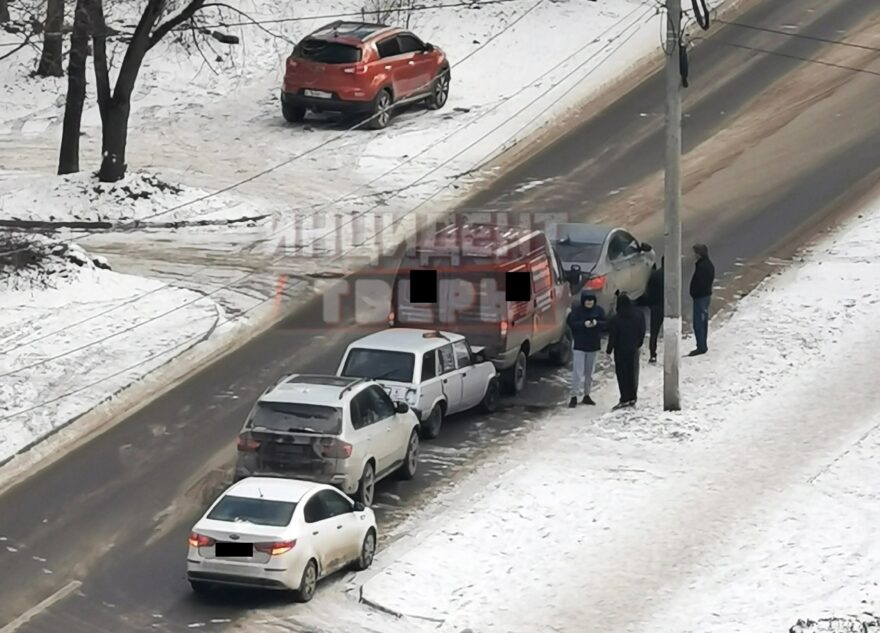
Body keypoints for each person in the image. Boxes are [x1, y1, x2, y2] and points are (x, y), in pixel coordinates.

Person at [566, 291, 606, 407]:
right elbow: (571, 323)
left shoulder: (599, 311)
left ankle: (587, 394)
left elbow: (605, 323)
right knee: (577, 373)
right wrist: (583, 324)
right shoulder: (577, 312)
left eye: (591, 300)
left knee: (589, 373)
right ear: (583, 301)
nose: (589, 302)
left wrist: (596, 323)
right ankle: (574, 396)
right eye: (587, 300)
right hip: (579, 345)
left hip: (593, 346)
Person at [606, 293, 645, 409]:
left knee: (622, 375)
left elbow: (613, 336)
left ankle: (625, 398)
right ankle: (633, 397)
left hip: (620, 350)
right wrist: (639, 343)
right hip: (633, 349)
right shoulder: (638, 315)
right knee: (632, 373)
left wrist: (609, 350)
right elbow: (642, 330)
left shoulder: (616, 319)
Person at [689, 243, 715, 356]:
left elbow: (700, 283)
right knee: (702, 321)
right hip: (704, 296)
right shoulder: (706, 264)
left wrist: (694, 293)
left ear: (699, 254)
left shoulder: (703, 266)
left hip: (700, 297)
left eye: (695, 253)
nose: (694, 255)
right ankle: (702, 344)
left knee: (699, 322)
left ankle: (701, 346)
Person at [641, 256, 664, 363]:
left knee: (654, 332)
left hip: (656, 306)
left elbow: (648, 291)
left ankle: (653, 354)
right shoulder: (673, 275)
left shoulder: (654, 275)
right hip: (669, 306)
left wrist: (651, 304)